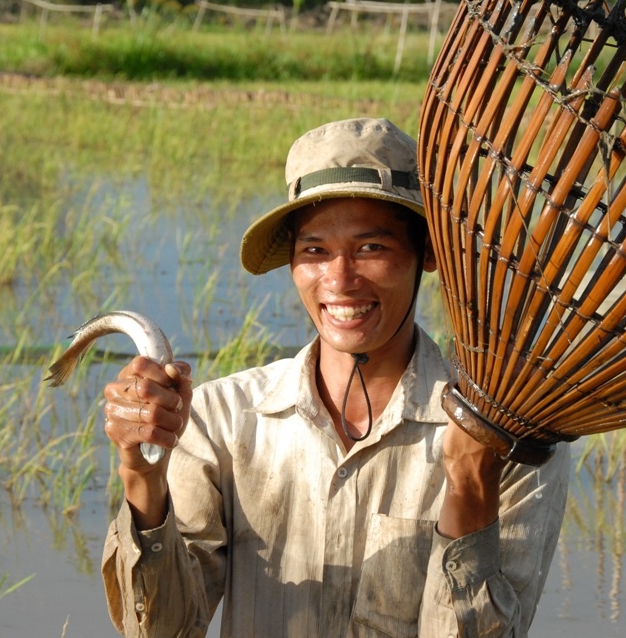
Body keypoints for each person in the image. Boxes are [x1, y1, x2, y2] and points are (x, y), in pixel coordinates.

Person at [100, 117, 571, 637]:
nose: (340, 280)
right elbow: (160, 631)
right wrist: (142, 477)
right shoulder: (221, 420)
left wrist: (470, 480)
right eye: (315, 251)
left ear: (428, 255)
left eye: (372, 248)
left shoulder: (507, 436)